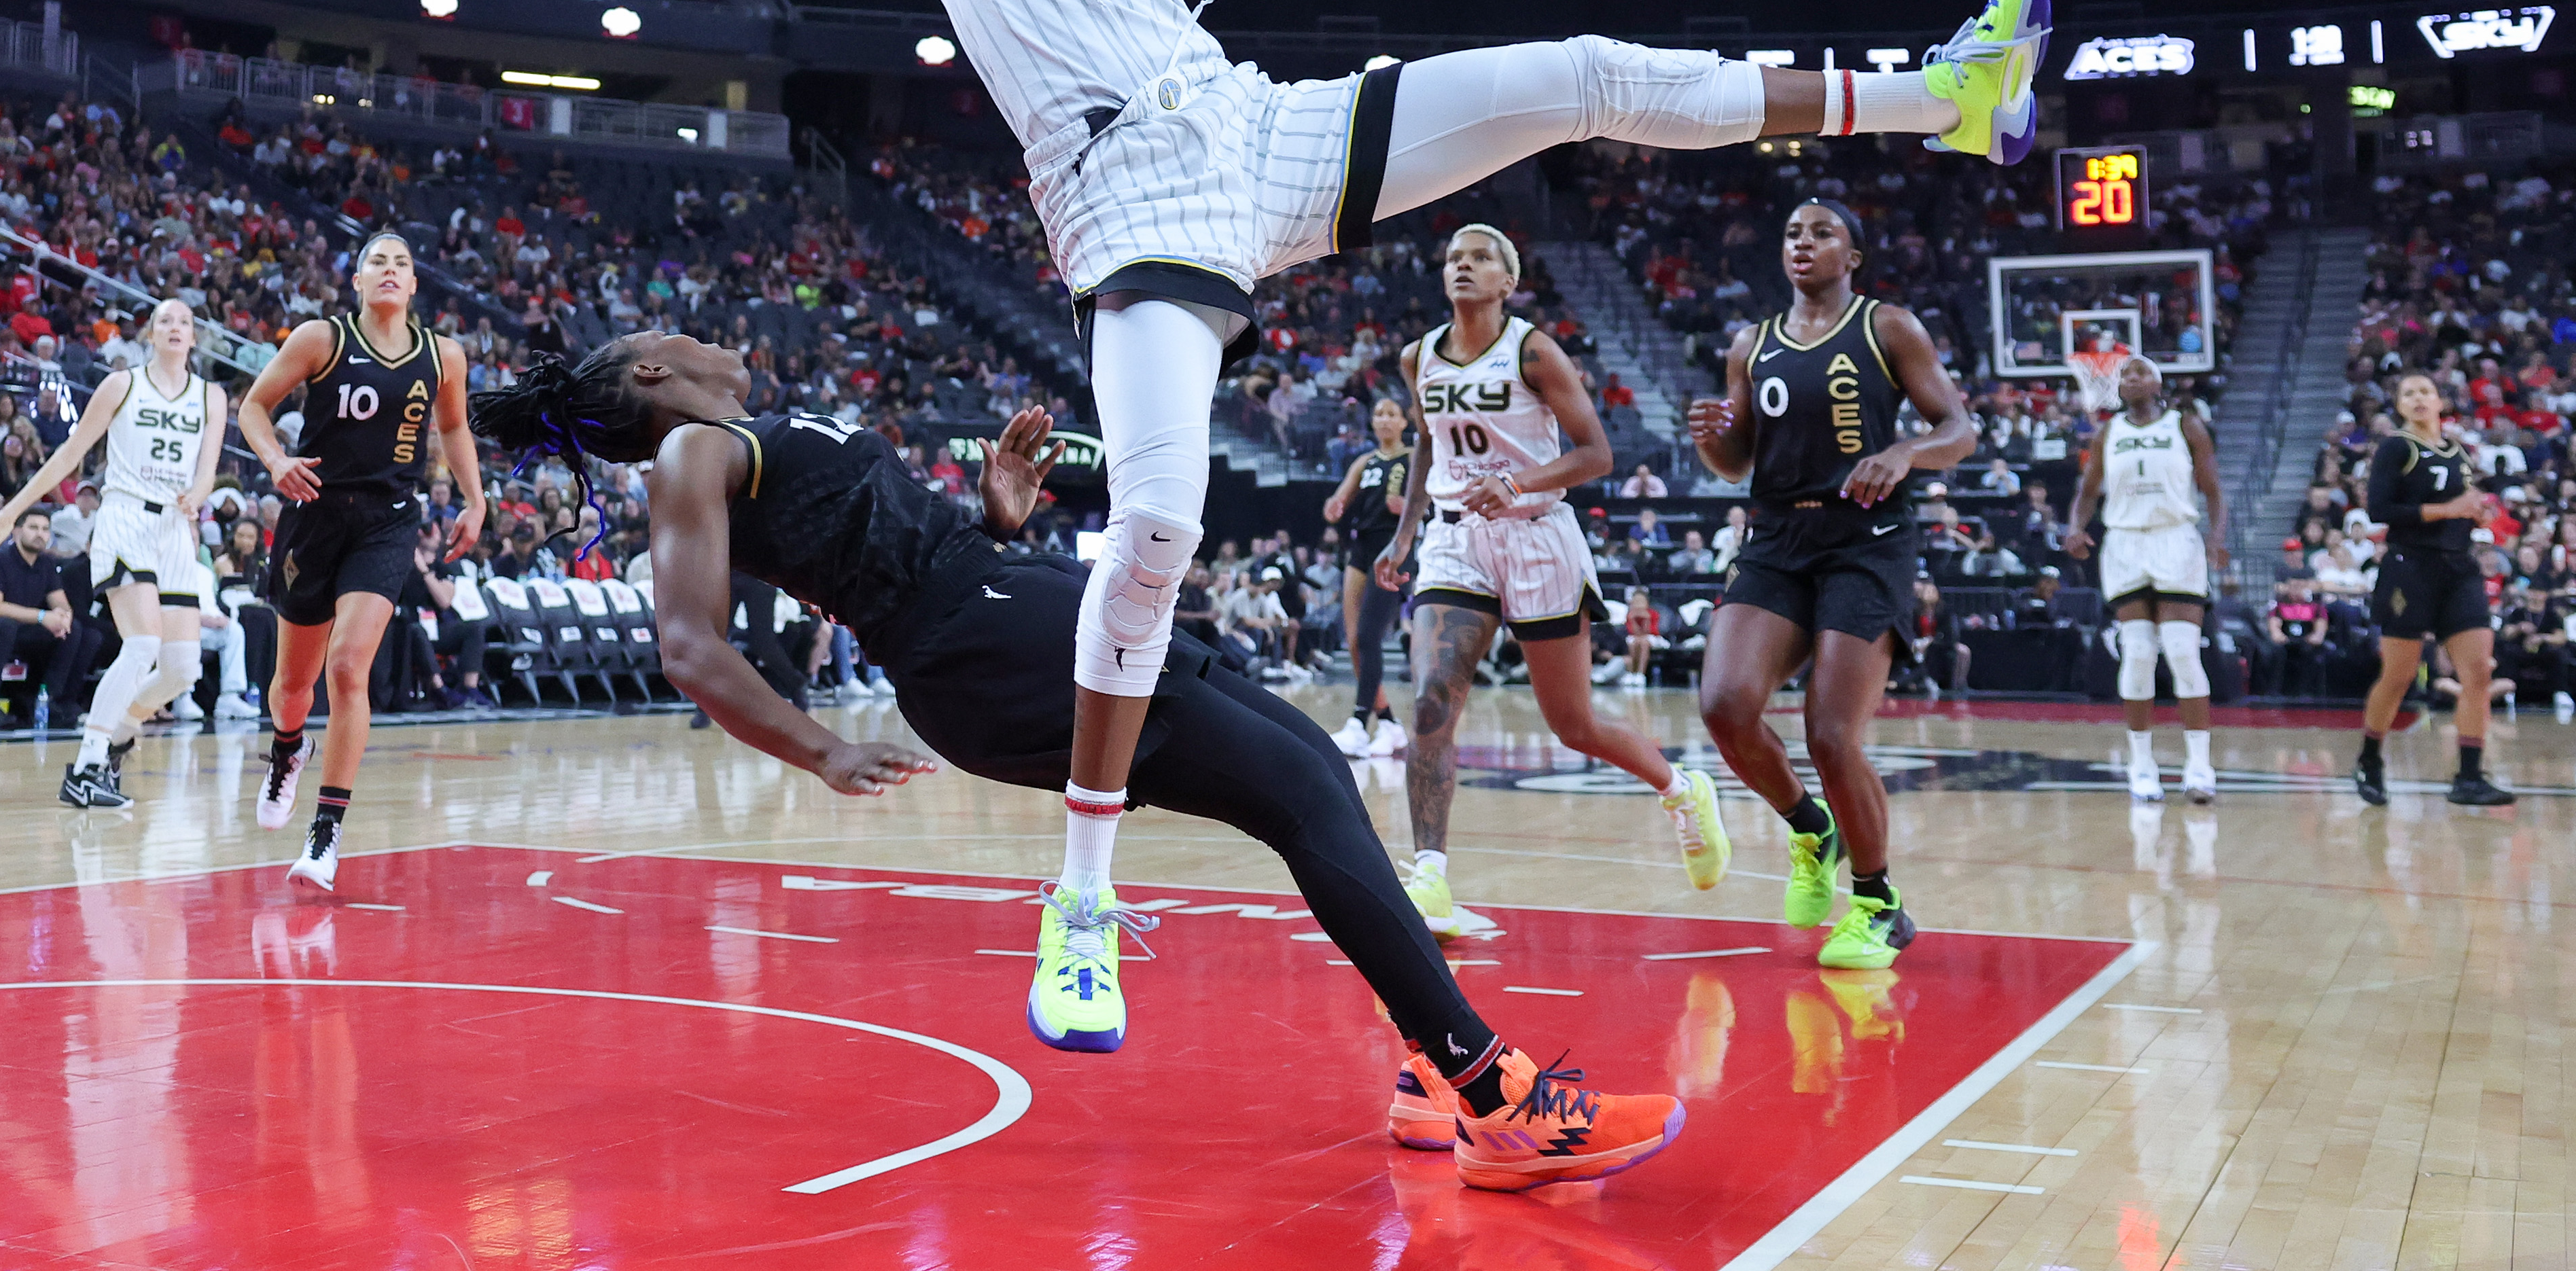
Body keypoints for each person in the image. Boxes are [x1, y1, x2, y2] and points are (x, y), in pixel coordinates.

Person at [814, 0, 2050, 1012]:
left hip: (1263, 136)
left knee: (1583, 72)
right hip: (1126, 206)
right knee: (1154, 528)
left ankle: (1935, 95)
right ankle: (1078, 904)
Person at [474, 333, 1687, 1193]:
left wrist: (994, 512)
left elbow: (877, 550)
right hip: (980, 650)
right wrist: (821, 744)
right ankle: (1495, 1098)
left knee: (1313, 758)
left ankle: (1434, 1063)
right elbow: (689, 646)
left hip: (1003, 593)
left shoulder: (747, 436)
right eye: (668, 335)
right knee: (1304, 794)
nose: (699, 333)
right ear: (649, 371)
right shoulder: (693, 454)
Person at [1377, 226, 1726, 937]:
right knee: (1430, 701)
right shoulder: (1418, 357)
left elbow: (1596, 453)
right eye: (1452, 258)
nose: (1462, 266)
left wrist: (1516, 481)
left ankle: (1681, 790)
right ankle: (1431, 875)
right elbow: (1425, 442)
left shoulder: (1532, 349)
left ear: (1508, 280)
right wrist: (1405, 532)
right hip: (1454, 538)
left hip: (1535, 534)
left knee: (1571, 723)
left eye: (1479, 256)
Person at [1685, 201, 1977, 971]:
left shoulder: (1888, 327)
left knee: (1829, 731)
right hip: (1777, 535)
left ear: (1852, 253)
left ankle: (1879, 903)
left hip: (1865, 539)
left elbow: (1958, 427)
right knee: (1723, 704)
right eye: (1790, 233)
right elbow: (1736, 461)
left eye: (1820, 233)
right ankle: (1808, 825)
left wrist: (1906, 452)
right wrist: (1713, 440)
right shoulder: (1751, 344)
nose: (1802, 243)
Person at [236, 233, 487, 888]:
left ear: (413, 285)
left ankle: (326, 834)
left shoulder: (444, 356)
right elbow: (255, 407)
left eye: (402, 262)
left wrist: (474, 498)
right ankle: (288, 749)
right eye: (378, 260)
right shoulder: (321, 339)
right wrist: (275, 460)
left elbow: (454, 427)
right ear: (357, 279)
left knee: (348, 667)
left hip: (388, 519)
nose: (390, 270)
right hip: (313, 512)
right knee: (294, 688)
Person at [0, 300, 228, 810]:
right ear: (150, 336)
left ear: (195, 338)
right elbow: (70, 455)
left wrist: (198, 498)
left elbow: (208, 469)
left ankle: (120, 733)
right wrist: (11, 513)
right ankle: (88, 765)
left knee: (181, 669)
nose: (176, 328)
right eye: (165, 321)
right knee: (141, 644)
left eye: (185, 322)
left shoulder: (211, 397)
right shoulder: (123, 385)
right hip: (126, 515)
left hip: (176, 528)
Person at [2062, 356, 2227, 804]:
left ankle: (2199, 766)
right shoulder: (2107, 433)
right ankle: (2142, 765)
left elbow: (2212, 489)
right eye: (2125, 374)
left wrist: (2216, 538)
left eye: (2140, 372)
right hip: (2125, 544)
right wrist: (2076, 526)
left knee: (2181, 652)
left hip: (2177, 539)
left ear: (2158, 382)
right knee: (2135, 655)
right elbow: (2088, 491)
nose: (2131, 378)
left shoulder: (2186, 426)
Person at [2354, 373, 2513, 807]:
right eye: (2409, 393)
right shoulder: (2397, 448)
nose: (2419, 398)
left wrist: (2477, 514)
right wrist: (2451, 509)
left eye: (2426, 391)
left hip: (2459, 569)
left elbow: (2460, 507)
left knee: (2478, 671)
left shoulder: (2459, 451)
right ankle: (2370, 758)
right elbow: (2381, 510)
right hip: (2410, 569)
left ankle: (2468, 777)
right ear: (2401, 406)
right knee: (2400, 675)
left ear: (2441, 401)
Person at [1318, 396, 1414, 755]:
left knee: (1371, 636)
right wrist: (1334, 507)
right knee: (1357, 641)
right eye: (1379, 414)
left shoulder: (1414, 458)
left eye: (1392, 414)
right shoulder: (1365, 461)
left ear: (1405, 422)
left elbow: (1430, 505)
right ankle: (1388, 722)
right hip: (1361, 552)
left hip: (1394, 552)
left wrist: (1405, 508)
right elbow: (1338, 502)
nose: (1384, 420)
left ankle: (1359, 723)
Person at [0, 509, 84, 724]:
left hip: (19, 627)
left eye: (45, 529)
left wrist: (62, 616)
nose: (40, 534)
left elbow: (60, 602)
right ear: (16, 532)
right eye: (33, 528)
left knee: (74, 629)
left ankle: (48, 698)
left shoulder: (46, 564)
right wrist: (42, 616)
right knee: (5, 625)